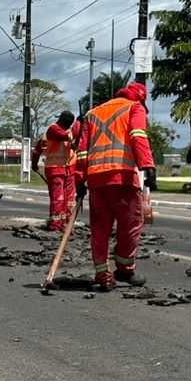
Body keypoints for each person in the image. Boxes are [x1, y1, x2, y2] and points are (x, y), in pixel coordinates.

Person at [80, 82, 154, 291]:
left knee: (100, 228)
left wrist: (79, 180)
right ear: (139, 98)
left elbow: (83, 152)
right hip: (122, 178)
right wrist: (147, 165)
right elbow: (138, 136)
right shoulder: (134, 107)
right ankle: (124, 269)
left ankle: (103, 275)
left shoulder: (92, 113)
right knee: (130, 225)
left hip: (96, 180)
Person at [31, 110, 78, 232]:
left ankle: (66, 222)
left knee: (69, 199)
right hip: (55, 168)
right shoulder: (53, 130)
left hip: (68, 168)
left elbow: (36, 152)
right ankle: (56, 223)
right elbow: (37, 151)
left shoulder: (65, 132)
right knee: (59, 198)